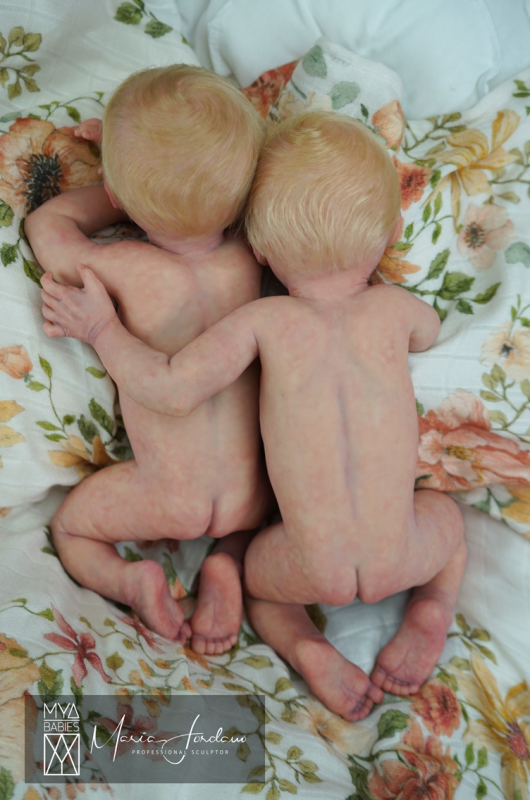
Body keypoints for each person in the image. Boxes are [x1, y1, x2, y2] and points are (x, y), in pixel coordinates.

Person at [39, 110, 466, 721]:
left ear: (263, 252)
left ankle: (294, 641)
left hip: (307, 565)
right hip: (393, 548)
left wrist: (103, 327)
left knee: (255, 592)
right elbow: (430, 332)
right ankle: (432, 605)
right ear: (395, 232)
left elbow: (173, 387)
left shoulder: (264, 321)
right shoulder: (397, 309)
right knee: (449, 520)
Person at [25, 63, 270, 654]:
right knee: (256, 521)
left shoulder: (127, 268)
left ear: (115, 194)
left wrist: (122, 185)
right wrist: (147, 175)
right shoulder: (253, 254)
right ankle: (228, 560)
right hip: (257, 495)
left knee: (71, 529)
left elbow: (46, 223)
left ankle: (130, 580)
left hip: (166, 497)